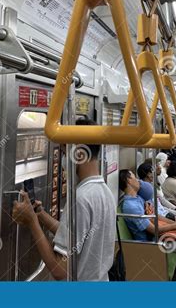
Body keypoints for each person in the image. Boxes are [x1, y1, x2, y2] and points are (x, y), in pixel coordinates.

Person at [12, 119, 116, 281]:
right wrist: (40, 215)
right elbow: (77, 237)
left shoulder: (81, 199)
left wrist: (32, 222)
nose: (62, 159)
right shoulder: (104, 192)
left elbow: (61, 270)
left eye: (64, 152)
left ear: (80, 154)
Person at [119, 169, 176, 280]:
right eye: (134, 177)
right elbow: (153, 230)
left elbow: (155, 216)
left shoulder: (138, 198)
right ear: (129, 180)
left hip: (160, 237)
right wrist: (175, 226)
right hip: (153, 243)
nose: (138, 181)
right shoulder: (131, 206)